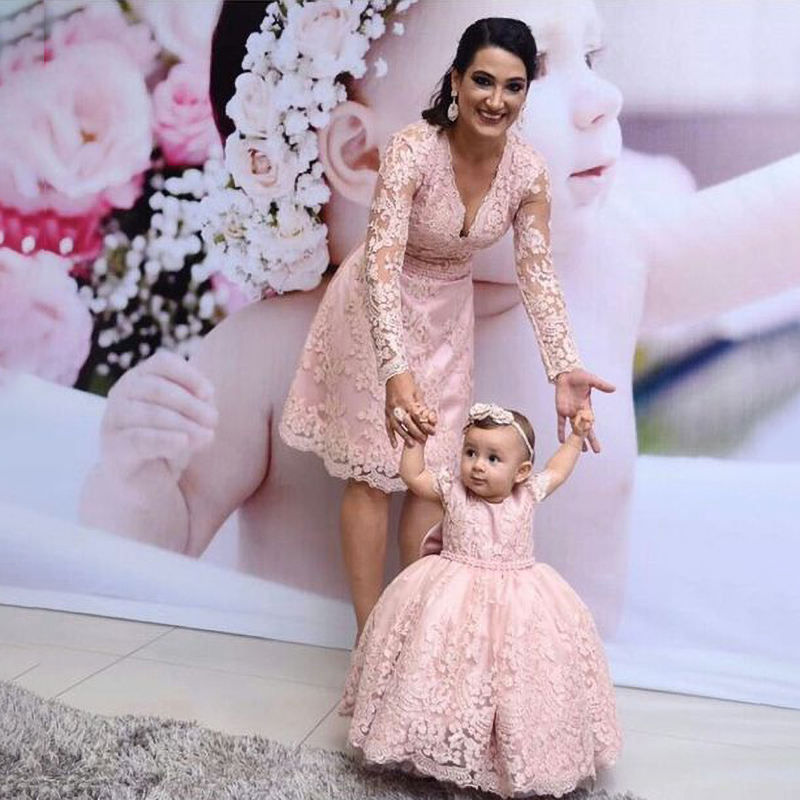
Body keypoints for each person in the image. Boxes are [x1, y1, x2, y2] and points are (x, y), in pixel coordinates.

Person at [78, 0, 800, 643]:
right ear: (366, 154)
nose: (603, 98)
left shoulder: (607, 268)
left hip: (560, 729)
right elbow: (139, 571)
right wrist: (137, 480)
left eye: (593, 55)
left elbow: (775, 228)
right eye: (530, 70)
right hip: (317, 732)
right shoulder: (271, 353)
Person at [279, 16, 613, 634]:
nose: (496, 100)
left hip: (447, 319)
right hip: (375, 305)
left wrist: (564, 366)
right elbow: (380, 265)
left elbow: (536, 273)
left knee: (432, 479)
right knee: (372, 474)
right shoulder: (412, 149)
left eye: (514, 86)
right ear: (456, 81)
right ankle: (369, 639)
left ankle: (412, 632)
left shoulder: (528, 172)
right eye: (483, 81)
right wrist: (394, 370)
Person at [340, 402, 622, 798]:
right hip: (451, 595)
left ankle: (507, 752)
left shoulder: (527, 494)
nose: (477, 466)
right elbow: (414, 477)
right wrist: (415, 443)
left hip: (515, 602)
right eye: (470, 452)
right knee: (444, 669)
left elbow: (557, 471)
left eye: (493, 459)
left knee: (509, 677)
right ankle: (435, 741)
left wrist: (575, 438)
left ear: (521, 471)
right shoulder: (452, 490)